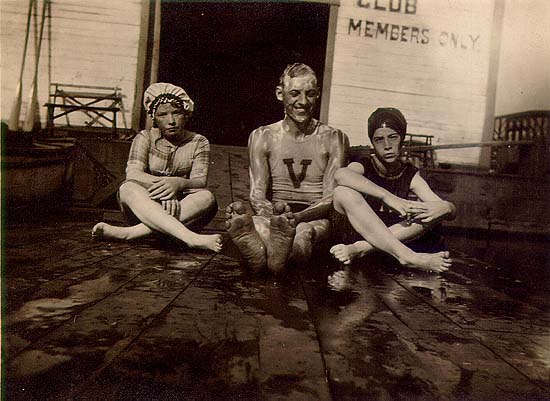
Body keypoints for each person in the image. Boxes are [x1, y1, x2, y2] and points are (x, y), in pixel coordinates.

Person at [225, 63, 350, 274]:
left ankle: (274, 258)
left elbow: (331, 197)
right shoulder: (262, 136)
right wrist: (276, 216)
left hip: (314, 216)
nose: (303, 102)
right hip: (277, 213)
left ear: (318, 94)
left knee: (304, 234)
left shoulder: (333, 138)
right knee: (259, 226)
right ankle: (265, 255)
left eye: (310, 94)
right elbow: (257, 194)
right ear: (280, 94)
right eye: (295, 94)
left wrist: (297, 218)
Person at [92, 83, 222, 253]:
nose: (171, 121)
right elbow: (133, 172)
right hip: (146, 206)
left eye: (176, 113)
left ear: (186, 115)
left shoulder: (199, 141)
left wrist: (177, 184)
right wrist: (166, 189)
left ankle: (130, 234)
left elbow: (199, 180)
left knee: (206, 197)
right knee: (128, 188)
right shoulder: (145, 137)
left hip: (181, 209)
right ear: (154, 118)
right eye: (163, 115)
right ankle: (190, 238)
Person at [329, 107, 455, 272]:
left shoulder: (409, 173)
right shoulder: (364, 164)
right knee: (342, 192)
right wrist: (387, 197)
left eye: (393, 137)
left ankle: (361, 249)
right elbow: (341, 175)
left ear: (402, 138)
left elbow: (445, 210)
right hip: (352, 233)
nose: (387, 146)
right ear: (372, 143)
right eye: (379, 140)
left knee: (431, 211)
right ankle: (409, 257)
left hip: (378, 242)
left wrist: (447, 207)